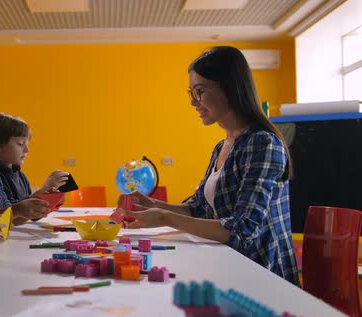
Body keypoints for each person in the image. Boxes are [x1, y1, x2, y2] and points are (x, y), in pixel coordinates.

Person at [118, 46, 299, 286]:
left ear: (230, 88)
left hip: (262, 276)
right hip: (227, 265)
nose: (193, 102)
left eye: (200, 91)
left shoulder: (263, 143)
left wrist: (164, 216)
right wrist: (154, 204)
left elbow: (242, 232)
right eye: (191, 92)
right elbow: (199, 208)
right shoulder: (222, 146)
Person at [0, 113, 68, 203]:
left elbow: (31, 215)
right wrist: (44, 189)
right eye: (20, 143)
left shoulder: (21, 176)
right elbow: (9, 214)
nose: (27, 150)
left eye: (27, 144)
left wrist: (51, 196)